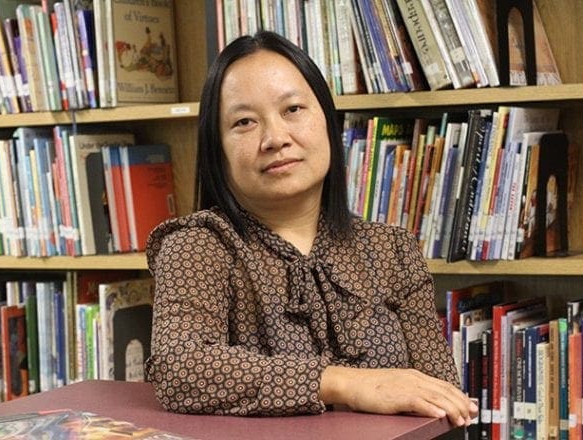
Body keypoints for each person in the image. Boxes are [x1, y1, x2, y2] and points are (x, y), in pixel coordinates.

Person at [145, 31, 477, 426]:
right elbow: (178, 368)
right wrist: (342, 383)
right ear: (217, 149)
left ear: (327, 121)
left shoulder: (392, 250)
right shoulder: (198, 246)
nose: (275, 139)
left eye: (293, 109)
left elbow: (440, 398)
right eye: (244, 122)